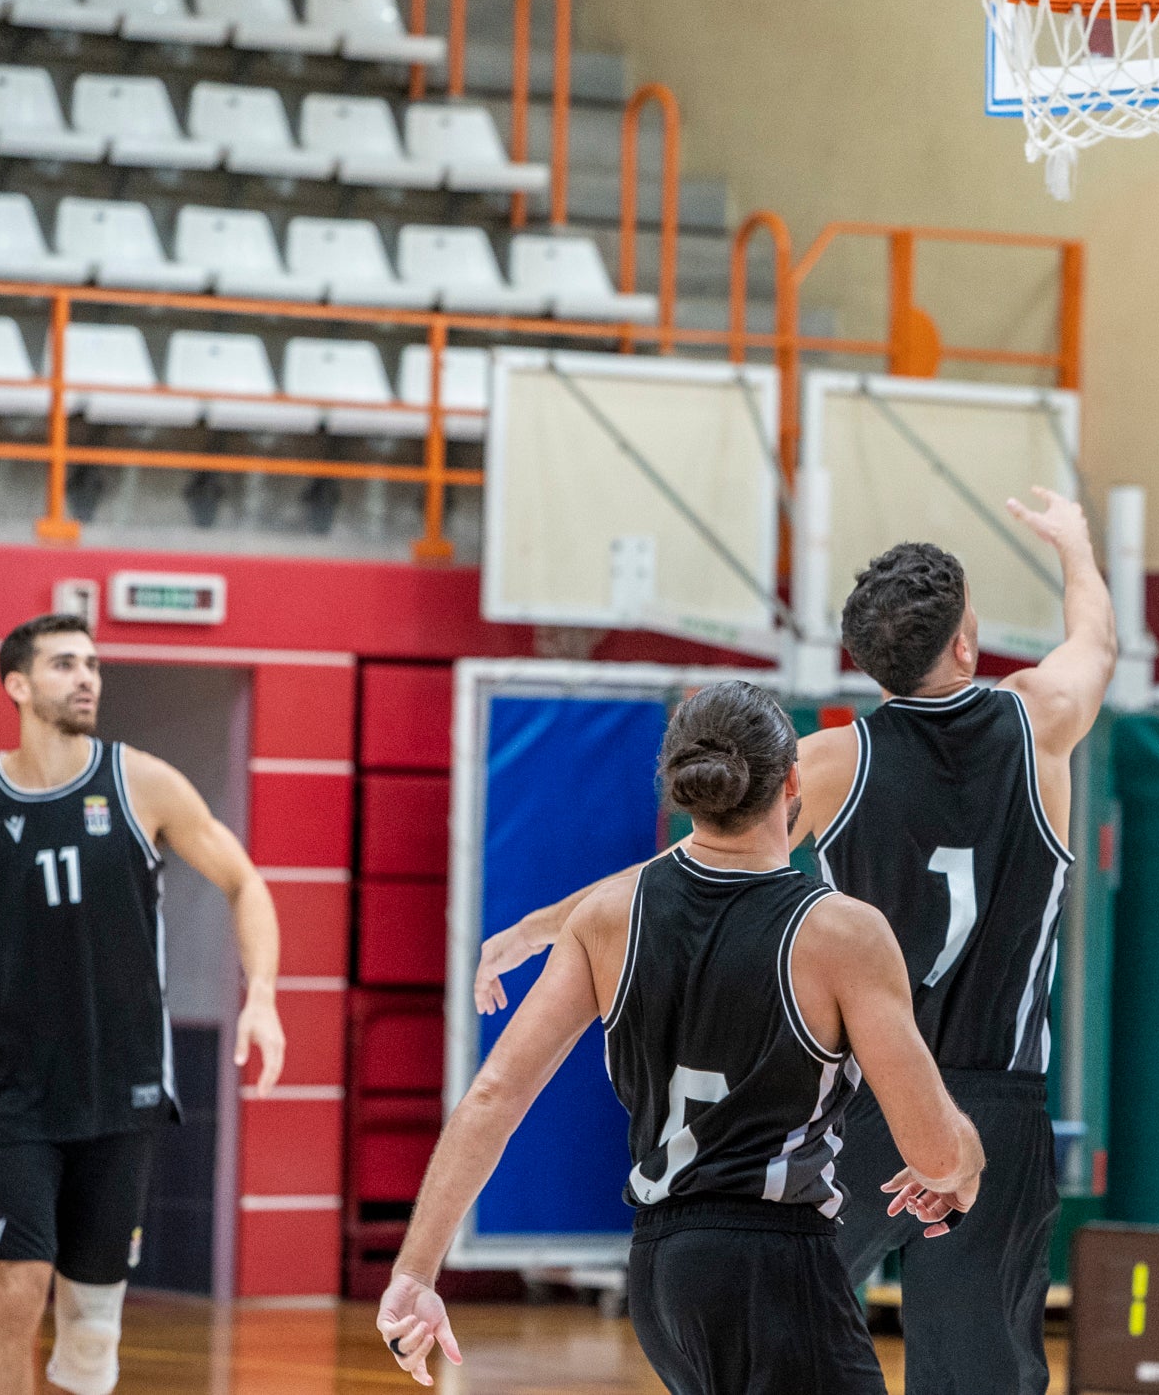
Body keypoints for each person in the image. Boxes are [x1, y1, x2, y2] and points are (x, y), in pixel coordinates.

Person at [475, 489, 1117, 1395]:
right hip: (994, 1101)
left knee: (777, 1337)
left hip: (857, 1095)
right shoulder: (1040, 721)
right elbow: (1098, 641)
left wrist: (544, 926)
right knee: (983, 1374)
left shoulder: (832, 759)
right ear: (966, 643)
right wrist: (1075, 549)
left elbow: (682, 865)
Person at [377, 681, 984, 1394]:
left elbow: (493, 1097)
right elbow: (935, 1150)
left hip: (663, 1272)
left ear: (678, 788)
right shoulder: (841, 932)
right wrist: (965, 1163)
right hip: (775, 1263)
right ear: (792, 782)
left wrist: (415, 1271)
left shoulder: (605, 916)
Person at [0, 613, 286, 1395]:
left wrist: (262, 996)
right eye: (65, 663)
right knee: (16, 1291)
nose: (87, 677)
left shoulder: (143, 783)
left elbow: (246, 883)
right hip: (16, 1091)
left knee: (93, 1326)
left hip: (123, 1082)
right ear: (18, 685)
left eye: (93, 664)